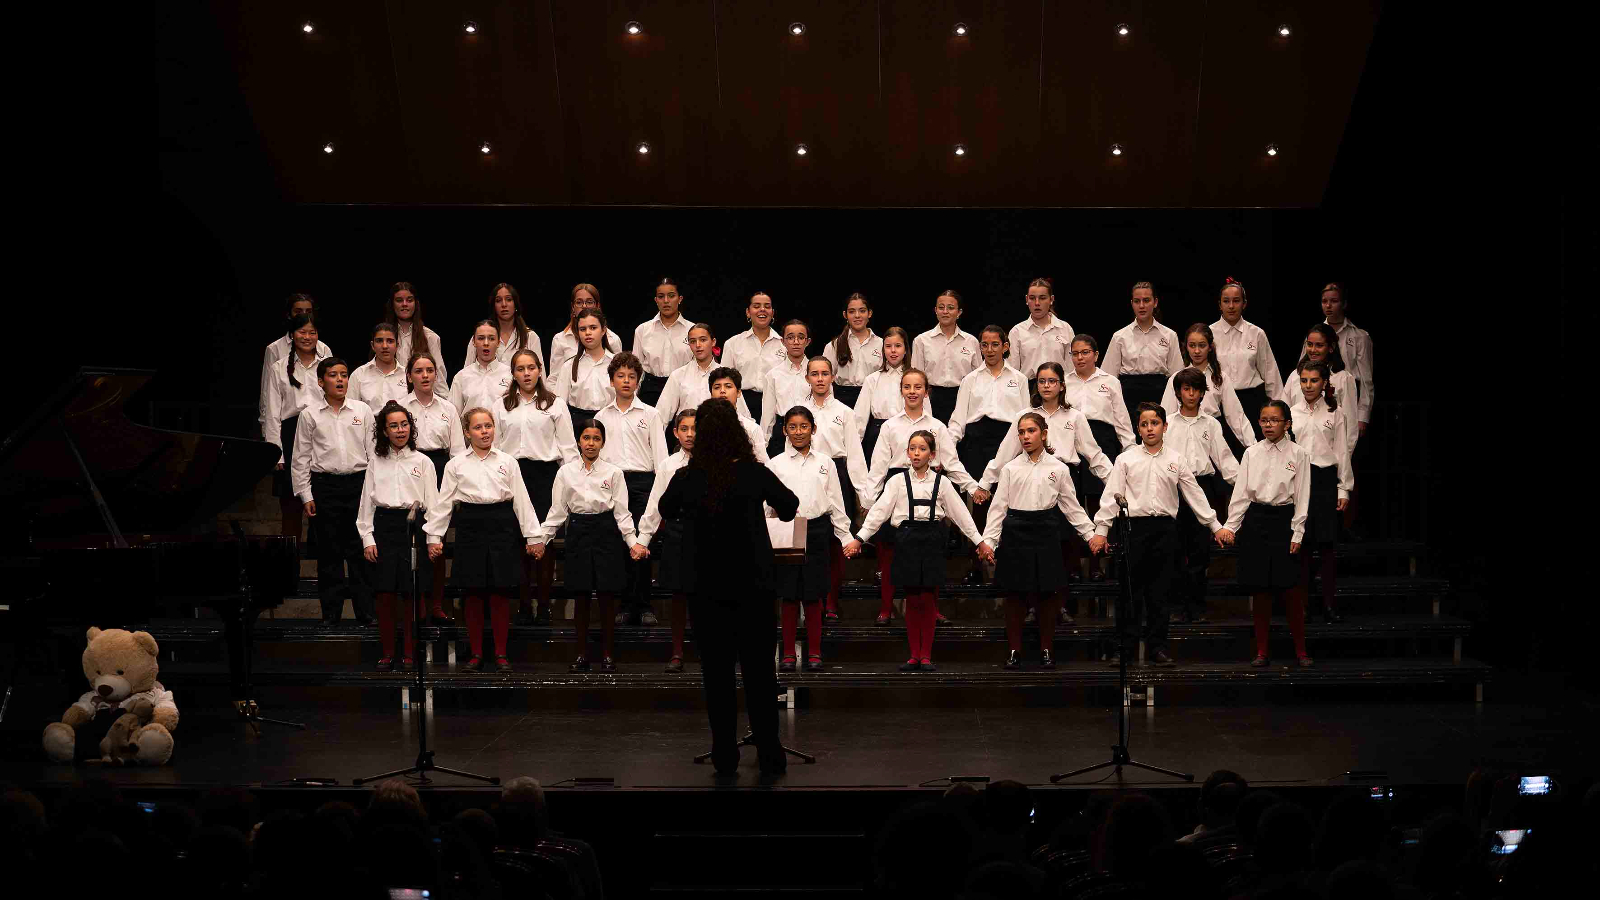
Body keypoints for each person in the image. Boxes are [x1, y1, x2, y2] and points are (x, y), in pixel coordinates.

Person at [658, 399, 799, 776]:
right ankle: (770, 753)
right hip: (754, 587)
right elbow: (789, 506)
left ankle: (724, 754)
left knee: (717, 675)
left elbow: (666, 508)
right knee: (759, 673)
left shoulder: (688, 477)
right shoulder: (754, 473)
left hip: (707, 590)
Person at [1088, 403, 1234, 666]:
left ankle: (1158, 647)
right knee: (1130, 592)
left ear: (1165, 427)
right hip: (1134, 530)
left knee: (1160, 592)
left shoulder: (1176, 459)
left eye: (1154, 423)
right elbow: (1111, 496)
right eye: (1144, 424)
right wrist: (1101, 530)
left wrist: (1215, 525)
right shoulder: (1126, 459)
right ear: (1138, 429)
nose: (1149, 428)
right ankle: (1126, 648)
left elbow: (1194, 494)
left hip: (1166, 530)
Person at [847, 430, 992, 671]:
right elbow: (879, 513)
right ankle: (914, 654)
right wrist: (859, 538)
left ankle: (926, 655)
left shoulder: (942, 483)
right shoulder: (897, 481)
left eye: (922, 448)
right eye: (912, 448)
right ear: (907, 453)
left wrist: (980, 541)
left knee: (928, 599)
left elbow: (961, 515)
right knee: (912, 599)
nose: (916, 453)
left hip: (932, 541)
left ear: (932, 455)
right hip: (906, 541)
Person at [979, 361, 1111, 612]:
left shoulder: (1075, 416)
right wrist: (985, 483)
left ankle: (1061, 608)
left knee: (1064, 549)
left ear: (1062, 385)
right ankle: (1031, 607)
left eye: (1052, 381)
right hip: (1031, 475)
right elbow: (1005, 453)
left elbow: (1094, 456)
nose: (1046, 386)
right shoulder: (1025, 416)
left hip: (1064, 476)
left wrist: (1117, 482)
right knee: (1031, 551)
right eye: (1041, 381)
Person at [425, 408, 546, 672]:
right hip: (470, 525)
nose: (484, 432)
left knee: (500, 592)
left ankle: (501, 654)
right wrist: (434, 536)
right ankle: (476, 653)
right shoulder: (456, 464)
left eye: (488, 426)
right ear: (467, 433)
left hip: (502, 524)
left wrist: (534, 536)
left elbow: (521, 500)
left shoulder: (507, 461)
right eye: (478, 428)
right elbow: (444, 503)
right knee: (473, 593)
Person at [864, 368, 979, 626]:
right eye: (907, 387)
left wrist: (973, 487)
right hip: (896, 486)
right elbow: (878, 466)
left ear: (926, 392)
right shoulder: (890, 426)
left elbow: (952, 462)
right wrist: (869, 500)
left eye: (918, 387)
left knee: (931, 555)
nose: (912, 392)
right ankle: (886, 608)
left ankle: (933, 609)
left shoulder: (937, 427)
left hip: (928, 487)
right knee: (889, 553)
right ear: (901, 391)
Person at [982, 413, 1096, 669]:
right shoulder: (1010, 468)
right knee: (1014, 595)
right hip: (1016, 532)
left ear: (1043, 434)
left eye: (1031, 431)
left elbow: (1072, 507)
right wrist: (989, 541)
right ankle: (1014, 650)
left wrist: (1090, 535)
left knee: (1048, 594)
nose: (1025, 437)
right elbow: (998, 508)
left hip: (1045, 530)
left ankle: (1047, 649)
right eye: (1021, 432)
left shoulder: (1058, 468)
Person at [1222, 399, 1313, 668]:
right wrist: (1230, 526)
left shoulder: (1299, 454)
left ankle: (1301, 651)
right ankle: (1262, 651)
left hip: (1284, 521)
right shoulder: (1252, 453)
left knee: (1291, 590)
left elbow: (1302, 496)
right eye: (1264, 420)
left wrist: (1297, 532)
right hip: (1257, 521)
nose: (1269, 425)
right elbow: (1241, 495)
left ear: (1287, 424)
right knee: (1260, 590)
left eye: (1274, 420)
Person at [540, 419, 636, 672]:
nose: (591, 443)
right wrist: (542, 539)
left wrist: (632, 542)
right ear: (578, 441)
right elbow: (558, 511)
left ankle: (607, 654)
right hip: (579, 531)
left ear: (603, 442)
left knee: (607, 596)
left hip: (606, 532)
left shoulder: (614, 473)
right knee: (581, 596)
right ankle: (581, 654)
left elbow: (622, 513)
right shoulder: (565, 472)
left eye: (596, 438)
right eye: (586, 438)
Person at [290, 358, 376, 625]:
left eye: (344, 374)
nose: (340, 380)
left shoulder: (362, 410)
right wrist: (306, 495)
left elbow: (373, 455)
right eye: (333, 375)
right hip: (325, 486)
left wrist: (373, 491)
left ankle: (366, 612)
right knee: (329, 554)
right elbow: (301, 457)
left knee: (361, 551)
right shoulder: (310, 414)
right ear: (320, 381)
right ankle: (330, 613)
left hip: (358, 485)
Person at [496, 349, 578, 626]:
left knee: (545, 541)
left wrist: (575, 481)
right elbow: (494, 447)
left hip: (545, 476)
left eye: (531, 368)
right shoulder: (502, 405)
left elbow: (568, 447)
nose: (527, 373)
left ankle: (544, 605)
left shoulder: (555, 404)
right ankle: (523, 604)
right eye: (520, 369)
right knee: (518, 542)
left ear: (540, 369)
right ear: (513, 373)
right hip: (512, 475)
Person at [769, 407, 855, 672]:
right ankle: (787, 654)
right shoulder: (776, 464)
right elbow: (766, 506)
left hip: (817, 529)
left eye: (804, 426)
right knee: (789, 594)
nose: (798, 432)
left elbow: (836, 503)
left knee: (814, 594)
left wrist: (845, 536)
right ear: (784, 430)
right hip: (786, 529)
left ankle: (815, 652)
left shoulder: (825, 463)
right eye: (792, 427)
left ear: (813, 429)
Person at [357, 402, 439, 671]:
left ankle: (408, 652)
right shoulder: (375, 462)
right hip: (385, 527)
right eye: (393, 425)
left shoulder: (423, 461)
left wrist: (432, 539)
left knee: (410, 592)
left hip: (413, 528)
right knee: (384, 593)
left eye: (404, 424)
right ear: (384, 430)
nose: (400, 429)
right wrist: (367, 537)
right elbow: (366, 504)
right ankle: (388, 651)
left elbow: (434, 505)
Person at [595, 352, 668, 626]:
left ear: (638, 381)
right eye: (620, 376)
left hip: (643, 483)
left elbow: (660, 458)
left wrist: (659, 493)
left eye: (632, 376)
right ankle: (625, 604)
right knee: (619, 545)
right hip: (613, 483)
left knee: (642, 544)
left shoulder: (651, 414)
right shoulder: (601, 415)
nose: (626, 381)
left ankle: (644, 604)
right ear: (611, 380)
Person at [1164, 367, 1241, 625]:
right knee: (1174, 550)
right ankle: (1175, 607)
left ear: (1202, 393)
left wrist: (1245, 485)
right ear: (1178, 392)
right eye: (1186, 389)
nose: (1191, 394)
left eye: (1196, 389)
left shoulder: (1211, 424)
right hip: (1173, 489)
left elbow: (1225, 460)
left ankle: (1196, 606)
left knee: (1199, 552)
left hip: (1203, 485)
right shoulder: (1168, 424)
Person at [798, 357, 872, 620]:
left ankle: (831, 601)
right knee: (806, 541)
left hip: (837, 475)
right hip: (804, 474)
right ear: (807, 378)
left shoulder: (844, 412)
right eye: (814, 374)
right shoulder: (797, 410)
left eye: (825, 374)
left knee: (834, 541)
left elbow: (854, 454)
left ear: (832, 378)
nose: (819, 378)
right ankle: (808, 602)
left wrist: (863, 493)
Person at [401, 349, 464, 624]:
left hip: (441, 471)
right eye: (418, 371)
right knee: (414, 541)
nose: (425, 375)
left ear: (436, 374)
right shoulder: (400, 407)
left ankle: (438, 604)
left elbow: (458, 453)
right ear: (410, 376)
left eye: (429, 371)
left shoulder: (448, 408)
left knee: (436, 540)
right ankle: (417, 605)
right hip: (410, 469)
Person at [951, 325, 1031, 539]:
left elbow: (1025, 417)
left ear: (1005, 347)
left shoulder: (1019, 379)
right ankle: (979, 561)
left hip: (1009, 441)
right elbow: (958, 420)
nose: (990, 349)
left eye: (995, 344)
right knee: (980, 499)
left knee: (1010, 498)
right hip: (977, 441)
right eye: (984, 345)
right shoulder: (970, 379)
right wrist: (947, 447)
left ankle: (1008, 556)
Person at [1288, 360, 1352, 624]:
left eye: (1314, 380)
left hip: (1325, 481)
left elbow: (1342, 452)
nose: (1308, 385)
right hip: (1299, 481)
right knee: (1301, 547)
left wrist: (1343, 488)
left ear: (1324, 382)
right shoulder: (1291, 412)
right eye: (1304, 380)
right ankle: (1300, 607)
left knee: (1326, 548)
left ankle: (1328, 604)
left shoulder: (1335, 413)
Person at [636, 408, 698, 671]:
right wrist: (643, 538)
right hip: (677, 532)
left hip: (707, 534)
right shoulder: (668, 465)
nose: (690, 434)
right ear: (675, 432)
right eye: (684, 429)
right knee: (679, 596)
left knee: (707, 597)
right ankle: (677, 652)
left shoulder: (715, 462)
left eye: (695, 429)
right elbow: (655, 506)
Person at [261, 312, 328, 539]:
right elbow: (271, 411)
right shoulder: (279, 367)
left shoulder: (326, 360)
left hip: (322, 433)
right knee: (290, 507)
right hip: (290, 435)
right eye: (302, 332)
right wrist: (275, 452)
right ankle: (290, 564)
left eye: (312, 332)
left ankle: (321, 561)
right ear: (292, 335)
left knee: (321, 502)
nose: (307, 337)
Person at [1160, 322, 1257, 458]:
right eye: (1192, 345)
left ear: (1210, 347)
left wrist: (1253, 447)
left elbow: (1236, 416)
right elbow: (1165, 415)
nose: (1197, 351)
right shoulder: (1177, 378)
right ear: (1186, 347)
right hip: (1183, 436)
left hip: (1211, 435)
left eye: (1202, 345)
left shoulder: (1220, 377)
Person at [655, 322, 751, 448]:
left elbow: (744, 417)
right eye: (693, 341)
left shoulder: (725, 376)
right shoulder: (678, 375)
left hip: (721, 442)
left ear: (713, 342)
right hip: (687, 443)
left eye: (703, 340)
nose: (698, 345)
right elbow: (660, 417)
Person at [1102, 281, 1184, 425]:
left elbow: (1176, 375)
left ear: (1155, 302)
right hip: (1128, 397)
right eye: (1137, 301)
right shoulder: (1120, 336)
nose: (1141, 306)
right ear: (1131, 303)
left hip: (1160, 396)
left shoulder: (1169, 335)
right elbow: (1108, 377)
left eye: (1146, 300)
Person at [1212, 277, 1284, 436]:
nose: (1231, 306)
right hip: (1220, 403)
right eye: (1226, 301)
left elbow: (1270, 373)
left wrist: (1279, 410)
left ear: (1244, 304)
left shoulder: (1256, 333)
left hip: (1251, 401)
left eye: (1236, 301)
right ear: (1219, 304)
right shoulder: (1209, 334)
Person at [259, 293, 329, 447]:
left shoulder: (324, 351)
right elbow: (268, 399)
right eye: (298, 311)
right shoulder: (277, 355)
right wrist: (271, 441)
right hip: (291, 427)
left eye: (308, 312)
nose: (307, 337)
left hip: (323, 428)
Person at [912, 290, 980, 424]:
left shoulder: (971, 341)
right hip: (931, 398)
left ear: (959, 312)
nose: (945, 311)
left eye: (950, 308)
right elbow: (916, 377)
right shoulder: (921, 341)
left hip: (963, 397)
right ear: (935, 310)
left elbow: (978, 377)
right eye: (941, 307)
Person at [547, 308, 616, 438]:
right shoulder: (569, 366)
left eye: (593, 327)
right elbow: (559, 406)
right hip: (578, 426)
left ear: (603, 330)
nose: (588, 333)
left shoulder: (616, 363)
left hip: (611, 425)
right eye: (583, 329)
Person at [1291, 323, 1359, 453]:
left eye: (1319, 345)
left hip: (1327, 458)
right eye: (1310, 344)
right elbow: (1285, 413)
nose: (1313, 350)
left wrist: (1343, 460)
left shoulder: (1343, 378)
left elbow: (1350, 426)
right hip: (1297, 457)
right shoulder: (1295, 375)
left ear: (1331, 347)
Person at [852, 325, 912, 462]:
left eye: (898, 346)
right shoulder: (872, 379)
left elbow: (926, 414)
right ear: (883, 350)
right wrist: (853, 449)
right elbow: (859, 419)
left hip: (907, 434)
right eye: (888, 346)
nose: (893, 351)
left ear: (905, 349)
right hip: (877, 435)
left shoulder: (915, 378)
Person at [1321, 283, 1373, 440]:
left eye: (1334, 301)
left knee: (1345, 449)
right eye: (1324, 301)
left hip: (1348, 400)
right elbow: (1303, 368)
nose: (1328, 305)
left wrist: (1362, 416)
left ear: (1343, 304)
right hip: (1318, 396)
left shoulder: (1359, 336)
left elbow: (1366, 380)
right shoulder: (1315, 334)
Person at [722, 291, 783, 424]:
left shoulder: (784, 344)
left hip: (776, 404)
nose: (762, 309)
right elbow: (725, 381)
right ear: (748, 312)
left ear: (772, 312)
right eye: (756, 306)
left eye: (767, 306)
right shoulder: (733, 343)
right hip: (741, 403)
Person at [632, 277, 692, 408]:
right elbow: (636, 368)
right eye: (661, 296)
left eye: (671, 296)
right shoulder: (642, 330)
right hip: (651, 389)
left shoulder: (692, 330)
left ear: (680, 299)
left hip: (683, 388)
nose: (666, 301)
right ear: (656, 300)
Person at [1007, 277, 1074, 394]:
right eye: (1032, 298)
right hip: (1028, 389)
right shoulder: (1017, 332)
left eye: (1042, 298)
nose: (1037, 303)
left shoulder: (1065, 328)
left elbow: (1071, 368)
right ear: (1027, 300)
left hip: (1060, 389)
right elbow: (1013, 371)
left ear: (1051, 299)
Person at [757, 319, 814, 458]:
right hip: (782, 432)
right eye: (790, 337)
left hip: (812, 431)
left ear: (808, 341)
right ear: (782, 342)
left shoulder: (816, 372)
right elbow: (767, 414)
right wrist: (763, 445)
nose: (796, 342)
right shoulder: (773, 375)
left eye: (801, 337)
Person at [462, 282, 541, 373]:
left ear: (515, 304)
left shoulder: (530, 337)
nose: (504, 304)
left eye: (508, 299)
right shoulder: (481, 337)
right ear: (494, 306)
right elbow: (467, 373)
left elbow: (539, 374)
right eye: (498, 300)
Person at [822, 292, 881, 409]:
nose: (857, 315)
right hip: (841, 400)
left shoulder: (881, 344)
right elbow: (824, 378)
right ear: (845, 315)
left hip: (873, 399)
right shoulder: (834, 345)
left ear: (870, 313)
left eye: (862, 311)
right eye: (852, 311)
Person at [547, 283, 621, 374]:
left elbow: (619, 374)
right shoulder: (560, 339)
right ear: (573, 307)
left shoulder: (613, 339)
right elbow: (554, 378)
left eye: (589, 302)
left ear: (597, 306)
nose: (584, 306)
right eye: (579, 302)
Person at [384, 281, 447, 388]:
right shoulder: (383, 338)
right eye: (399, 300)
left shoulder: (430, 337)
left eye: (409, 300)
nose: (404, 304)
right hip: (390, 397)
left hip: (419, 398)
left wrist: (444, 403)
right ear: (392, 304)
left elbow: (439, 378)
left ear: (416, 303)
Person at [451, 320, 513, 420]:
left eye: (491, 338)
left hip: (502, 434)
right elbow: (453, 417)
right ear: (474, 342)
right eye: (481, 338)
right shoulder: (462, 377)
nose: (486, 343)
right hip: (470, 434)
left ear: (498, 342)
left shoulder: (510, 374)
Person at [708, 367, 770, 464]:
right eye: (717, 387)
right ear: (711, 393)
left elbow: (764, 464)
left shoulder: (751, 428)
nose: (722, 391)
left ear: (739, 393)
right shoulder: (703, 426)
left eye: (728, 386)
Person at [348, 322, 409, 408]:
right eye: (379, 341)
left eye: (390, 341)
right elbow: (352, 410)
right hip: (369, 421)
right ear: (372, 345)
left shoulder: (407, 374)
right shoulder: (359, 375)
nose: (384, 346)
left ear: (397, 346)